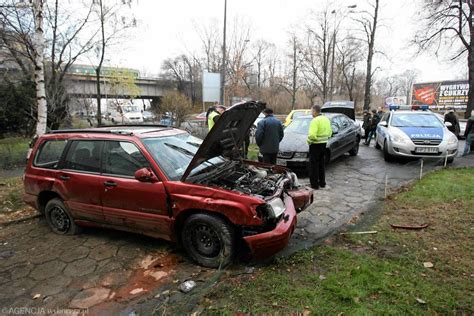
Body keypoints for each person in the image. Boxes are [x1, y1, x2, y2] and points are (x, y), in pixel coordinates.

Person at [307, 105, 332, 190]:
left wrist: (309, 141)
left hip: (315, 145)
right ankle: (322, 183)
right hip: (323, 144)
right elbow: (330, 133)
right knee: (321, 165)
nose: (311, 113)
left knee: (313, 166)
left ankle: (314, 185)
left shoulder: (315, 120)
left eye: (311, 111)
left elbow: (312, 135)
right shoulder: (326, 119)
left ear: (315, 111)